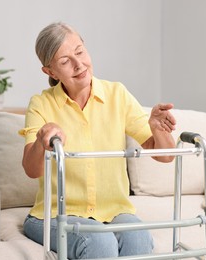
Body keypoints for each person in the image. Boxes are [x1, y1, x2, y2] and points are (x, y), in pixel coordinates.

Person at [19, 21, 177, 259]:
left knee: (138, 237)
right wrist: (42, 139)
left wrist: (158, 129)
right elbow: (31, 170)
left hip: (114, 210)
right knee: (99, 242)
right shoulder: (41, 104)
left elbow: (165, 156)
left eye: (80, 52)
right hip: (52, 214)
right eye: (64, 61)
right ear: (50, 72)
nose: (78, 64)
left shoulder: (117, 94)